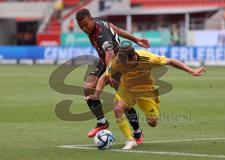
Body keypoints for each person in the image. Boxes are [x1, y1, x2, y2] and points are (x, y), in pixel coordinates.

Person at [85, 44, 206, 149]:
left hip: (147, 90)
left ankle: (140, 131)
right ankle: (130, 140)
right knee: (118, 108)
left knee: (152, 122)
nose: (123, 66)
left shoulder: (148, 58)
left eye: (126, 63)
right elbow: (104, 77)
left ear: (133, 58)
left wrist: (192, 71)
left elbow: (171, 61)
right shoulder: (118, 61)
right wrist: (96, 96)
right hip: (127, 88)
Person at [76, 9, 150, 141]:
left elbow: (109, 53)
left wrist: (108, 74)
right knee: (88, 88)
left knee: (122, 101)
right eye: (81, 27)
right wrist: (136, 39)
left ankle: (138, 132)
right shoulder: (98, 21)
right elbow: (117, 29)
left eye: (86, 25)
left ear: (91, 20)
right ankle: (102, 122)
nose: (85, 28)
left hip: (117, 62)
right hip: (104, 60)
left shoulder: (101, 34)